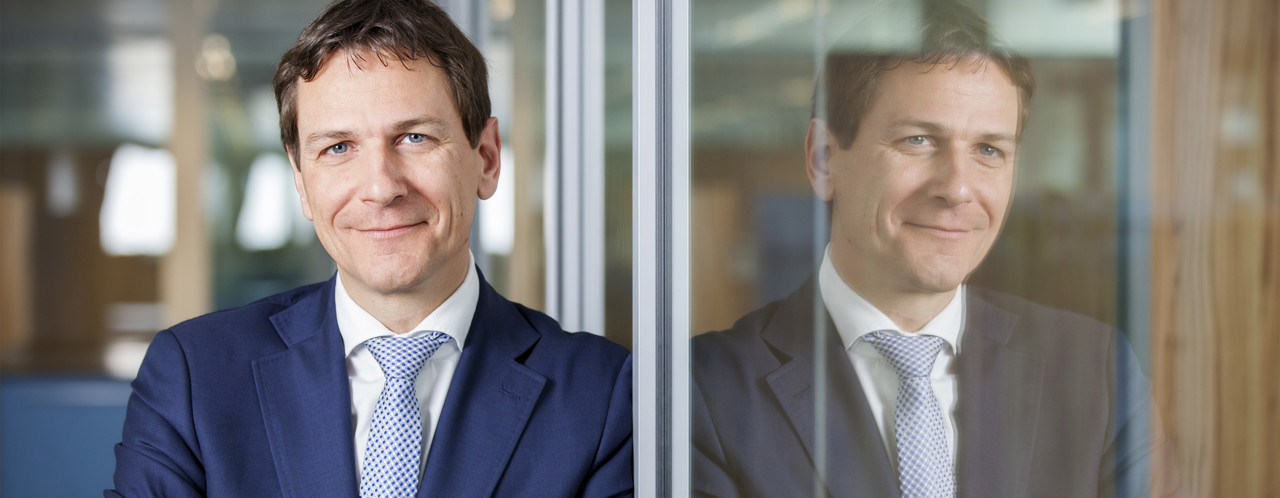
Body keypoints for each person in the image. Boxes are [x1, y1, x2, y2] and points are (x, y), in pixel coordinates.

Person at [108, 0, 632, 496]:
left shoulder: (603, 396)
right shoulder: (194, 378)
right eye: (338, 147)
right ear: (300, 178)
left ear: (487, 157)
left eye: (415, 138)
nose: (381, 188)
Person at [690, 1, 1173, 497]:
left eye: (989, 150)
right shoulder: (702, 392)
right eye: (918, 140)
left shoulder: (1095, 372)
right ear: (824, 159)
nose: (958, 189)